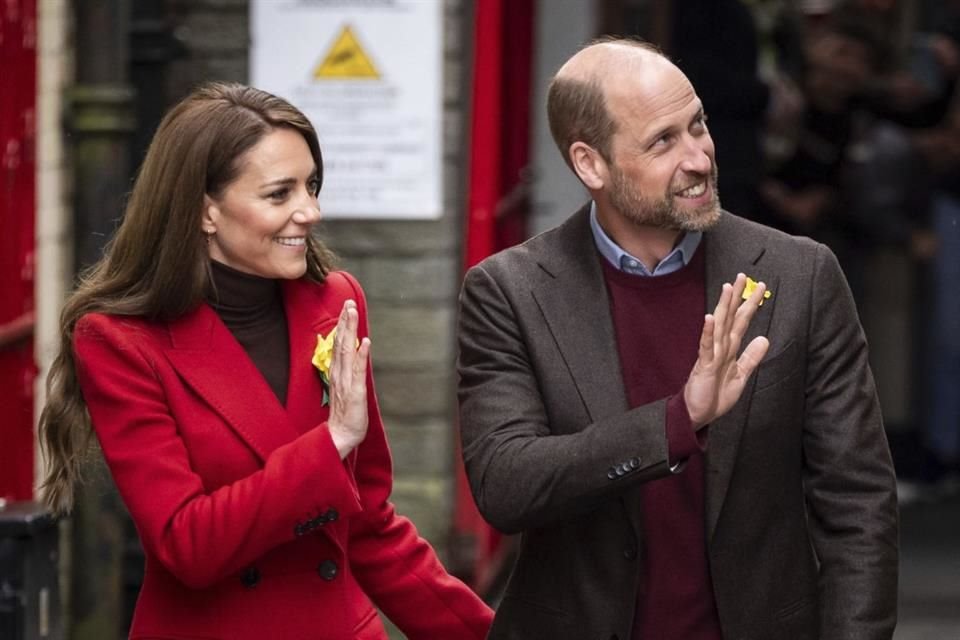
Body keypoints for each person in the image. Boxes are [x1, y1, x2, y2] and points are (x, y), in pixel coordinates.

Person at [456, 39, 898, 640]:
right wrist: (678, 421)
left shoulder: (801, 275)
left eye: (698, 125)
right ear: (591, 164)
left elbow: (858, 505)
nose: (698, 158)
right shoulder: (510, 290)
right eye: (663, 141)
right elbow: (507, 485)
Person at [38, 82, 493, 639]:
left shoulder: (336, 303)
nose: (312, 211)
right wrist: (327, 448)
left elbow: (369, 523)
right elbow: (187, 545)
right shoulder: (119, 341)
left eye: (312, 186)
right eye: (280, 194)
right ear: (206, 211)